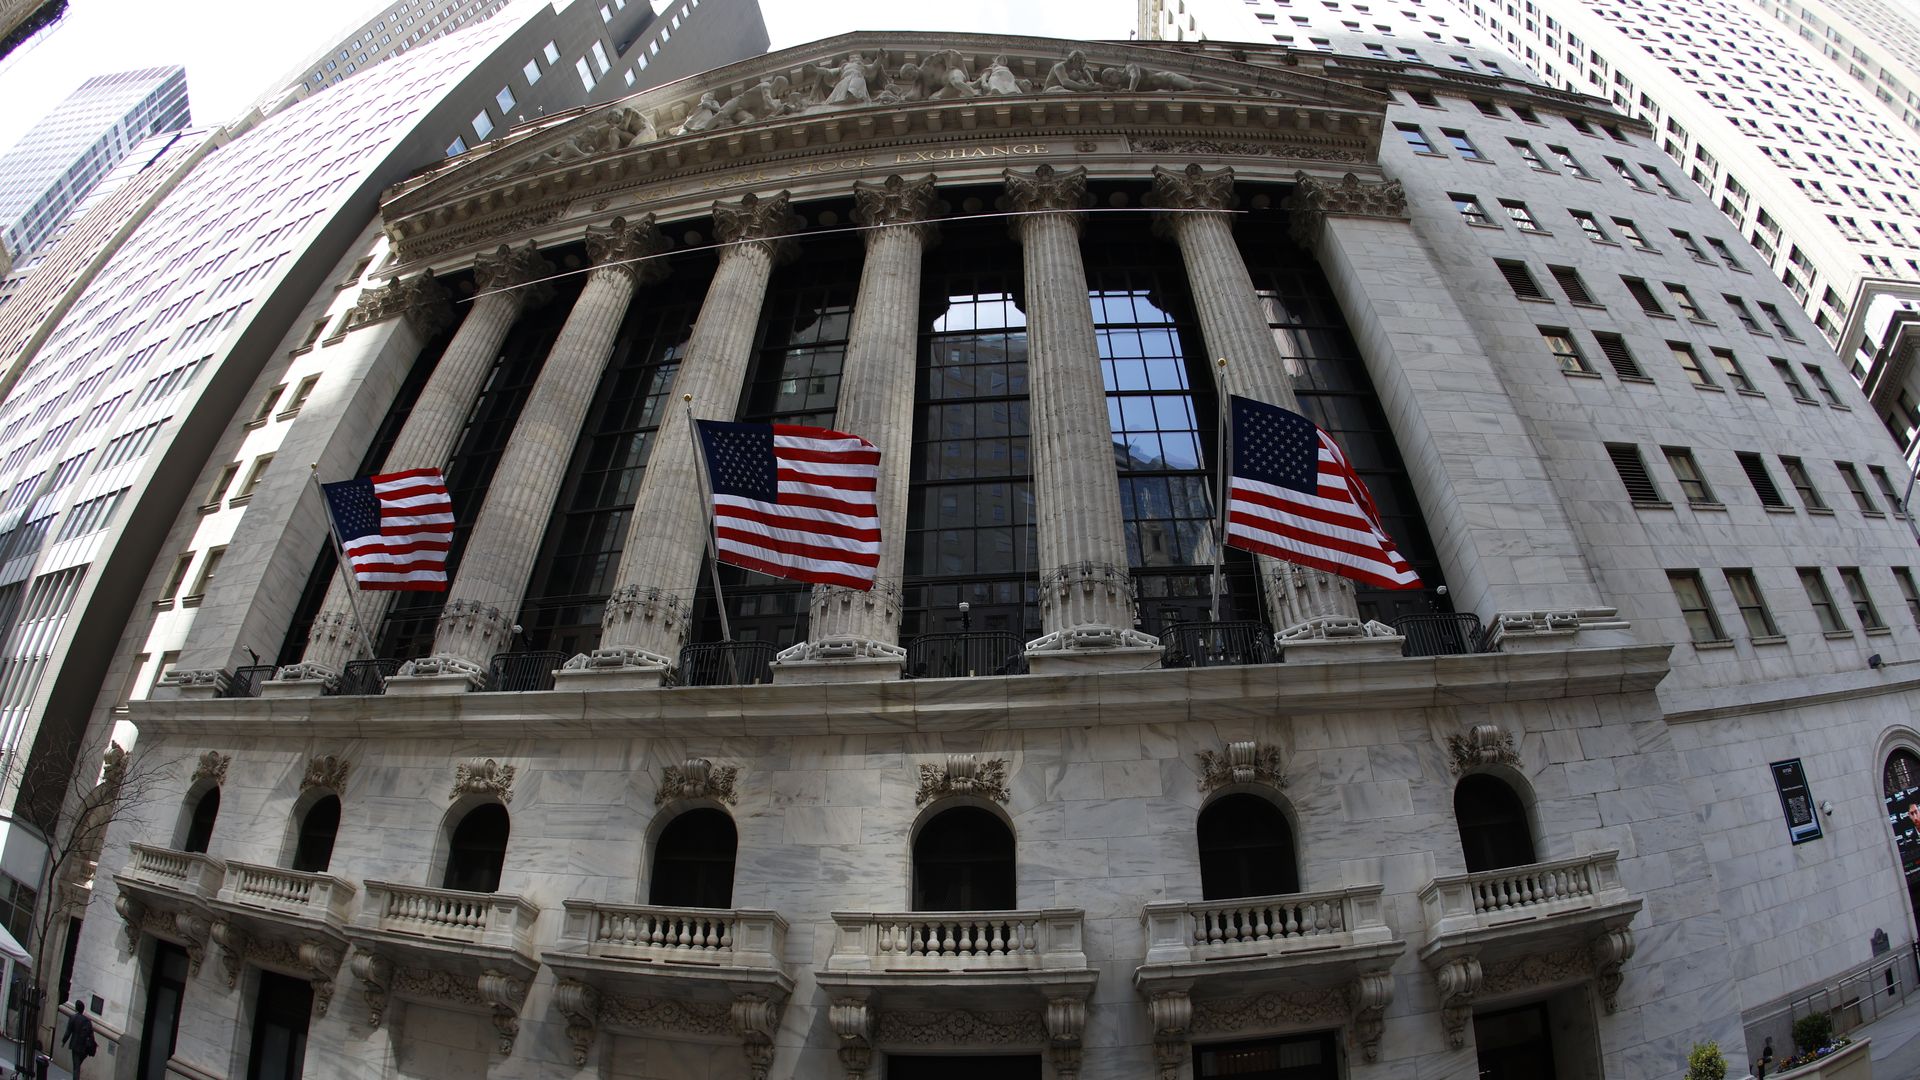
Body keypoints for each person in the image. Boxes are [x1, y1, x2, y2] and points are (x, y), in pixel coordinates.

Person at [61, 1001, 95, 1079]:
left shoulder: (73, 1018)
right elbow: (91, 1034)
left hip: (75, 1045)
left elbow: (68, 1032)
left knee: (76, 1066)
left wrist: (63, 1041)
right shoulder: (87, 1021)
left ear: (76, 1008)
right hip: (85, 1047)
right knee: (78, 1064)